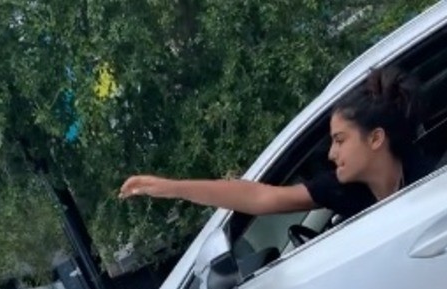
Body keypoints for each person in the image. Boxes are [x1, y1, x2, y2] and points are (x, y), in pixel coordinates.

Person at [119, 66, 434, 224]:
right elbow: (258, 196)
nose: (331, 153)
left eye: (340, 140)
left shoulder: (432, 181)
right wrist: (172, 188)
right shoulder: (343, 190)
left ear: (376, 138)